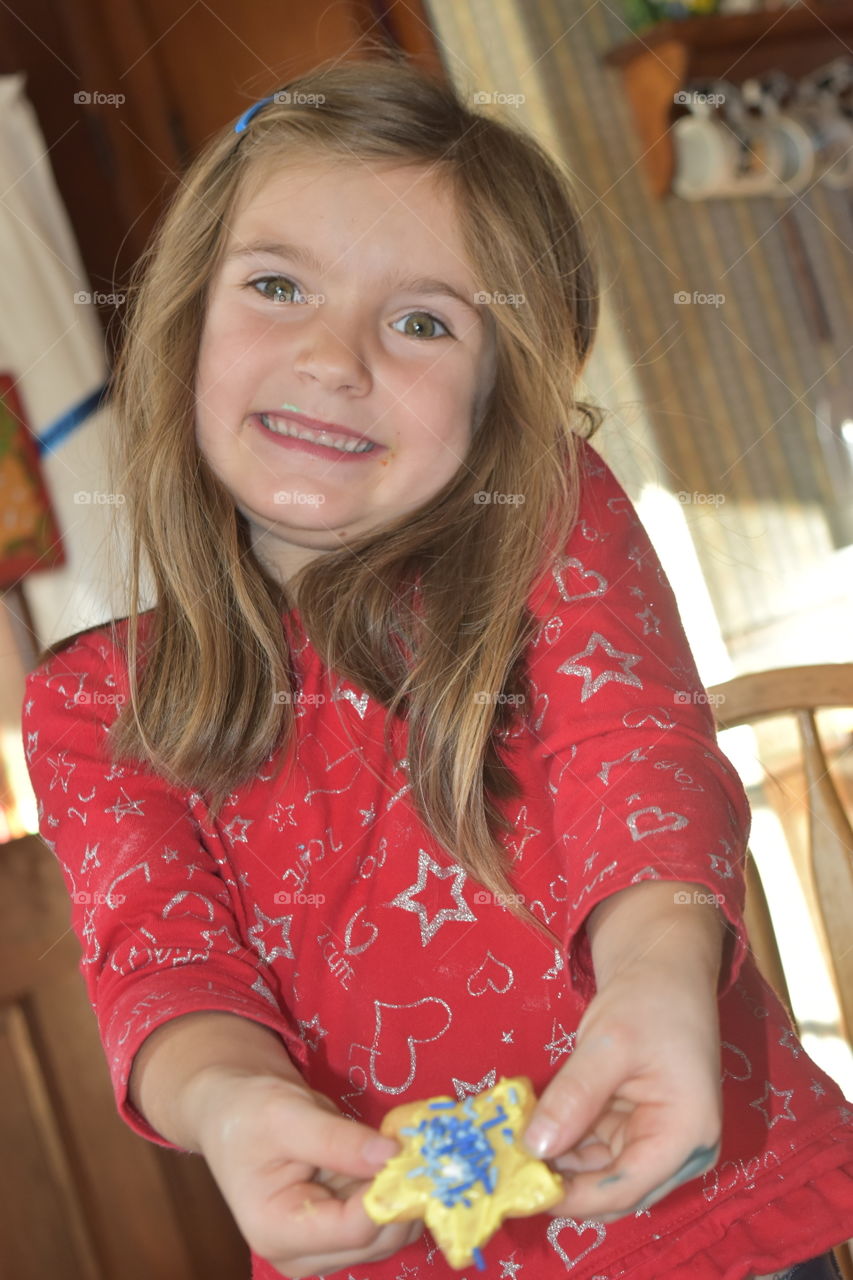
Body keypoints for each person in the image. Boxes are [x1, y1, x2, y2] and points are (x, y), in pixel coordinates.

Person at [21, 51, 853, 1280]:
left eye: (421, 320)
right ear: (184, 321)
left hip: (715, 1224)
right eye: (276, 286)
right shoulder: (92, 703)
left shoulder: (546, 520)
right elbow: (164, 965)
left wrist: (656, 977)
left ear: (498, 389)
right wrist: (233, 1102)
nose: (335, 355)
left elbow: (634, 752)